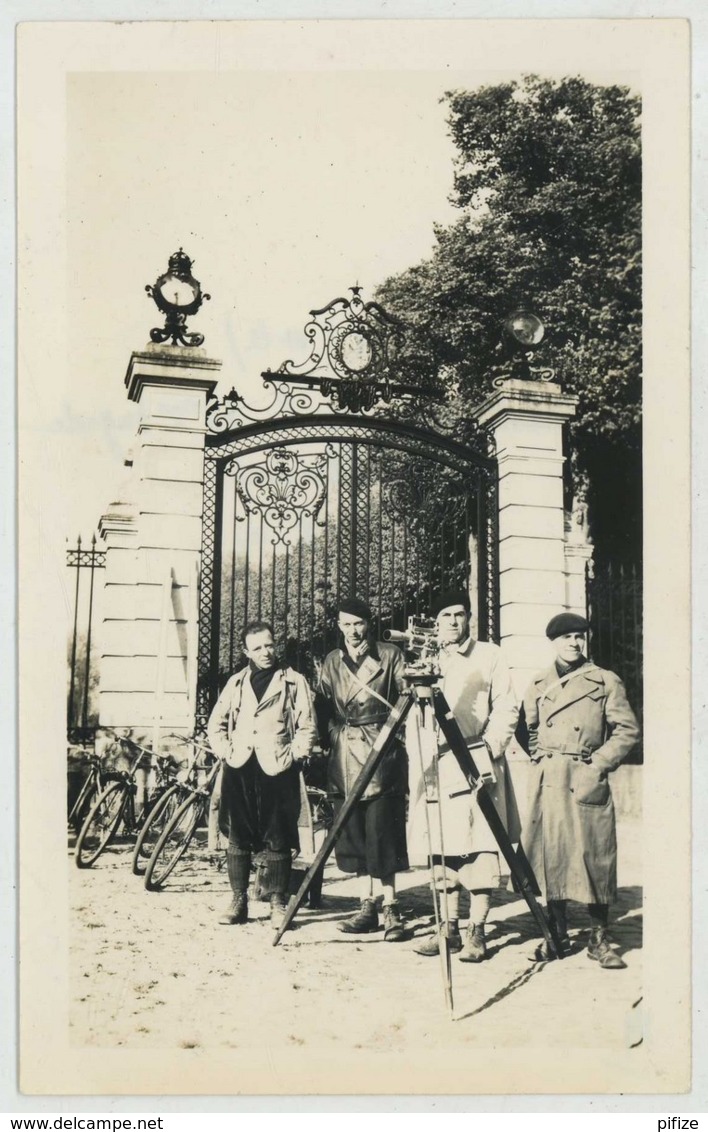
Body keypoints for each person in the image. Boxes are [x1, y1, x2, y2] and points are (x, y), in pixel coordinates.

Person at [518, 612, 640, 969]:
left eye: (579, 637)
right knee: (550, 855)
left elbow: (627, 730)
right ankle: (556, 933)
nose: (574, 643)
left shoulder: (605, 680)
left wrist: (597, 764)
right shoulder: (539, 683)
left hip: (585, 776)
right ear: (553, 642)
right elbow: (527, 728)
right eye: (567, 637)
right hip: (550, 779)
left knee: (594, 855)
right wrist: (539, 755)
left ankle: (599, 938)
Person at [407, 590, 520, 962]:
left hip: (475, 757)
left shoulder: (490, 655)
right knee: (443, 846)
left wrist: (490, 748)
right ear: (435, 622)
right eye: (446, 615)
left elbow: (506, 704)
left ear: (469, 618)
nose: (454, 622)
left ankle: (477, 930)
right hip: (437, 764)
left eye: (460, 614)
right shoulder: (428, 658)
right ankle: (448, 928)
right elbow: (414, 716)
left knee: (481, 846)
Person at [207, 620, 318, 930]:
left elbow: (307, 724)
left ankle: (278, 902)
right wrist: (226, 751)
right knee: (238, 834)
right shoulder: (236, 683)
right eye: (257, 648)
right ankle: (238, 900)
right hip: (240, 766)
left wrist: (296, 754)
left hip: (277, 767)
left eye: (269, 645)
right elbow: (216, 723)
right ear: (246, 652)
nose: (266, 652)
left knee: (278, 834)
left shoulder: (293, 681)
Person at [317, 597, 408, 942]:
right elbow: (322, 706)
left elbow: (407, 697)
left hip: (381, 751)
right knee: (352, 832)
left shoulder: (390, 655)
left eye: (358, 623)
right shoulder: (332, 660)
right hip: (344, 754)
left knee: (382, 830)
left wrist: (393, 737)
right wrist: (333, 736)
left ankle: (391, 907)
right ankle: (366, 906)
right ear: (338, 626)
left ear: (368, 623)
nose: (352, 631)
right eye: (345, 624)